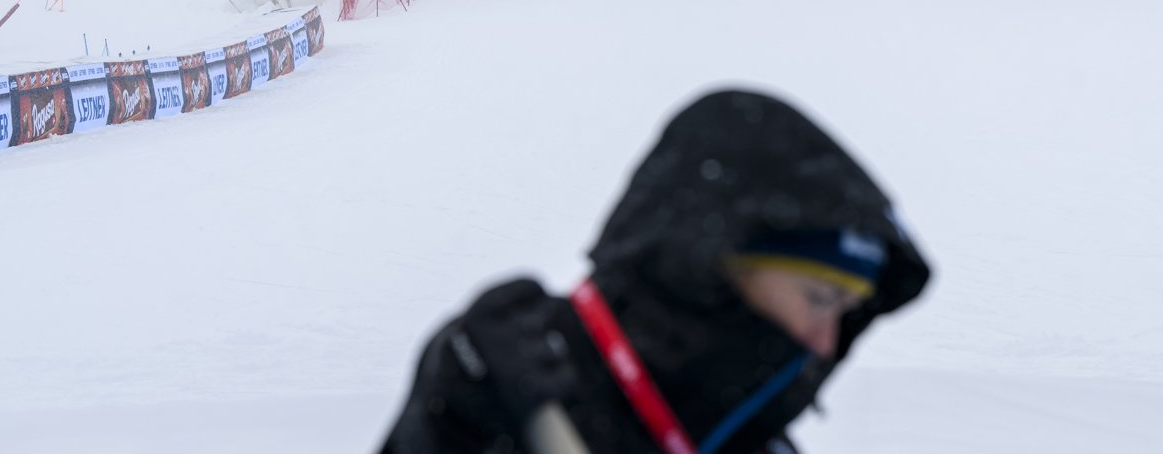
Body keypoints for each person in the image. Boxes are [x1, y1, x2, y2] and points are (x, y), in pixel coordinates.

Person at [380, 88, 932, 454]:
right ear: (709, 266)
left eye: (843, 311)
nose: (825, 341)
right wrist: (452, 425)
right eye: (817, 297)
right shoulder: (509, 382)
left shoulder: (754, 438)